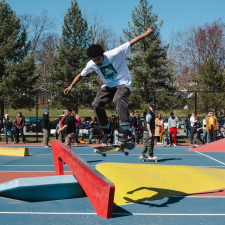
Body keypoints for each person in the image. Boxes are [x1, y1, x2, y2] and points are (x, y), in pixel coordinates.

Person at [64, 28, 154, 144]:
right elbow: (81, 75)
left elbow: (131, 42)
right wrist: (71, 85)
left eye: (99, 59)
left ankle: (126, 130)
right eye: (94, 60)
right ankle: (106, 130)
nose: (97, 62)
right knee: (96, 104)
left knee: (118, 98)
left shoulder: (114, 54)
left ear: (103, 55)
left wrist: (147, 33)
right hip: (108, 86)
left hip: (123, 84)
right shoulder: (91, 64)